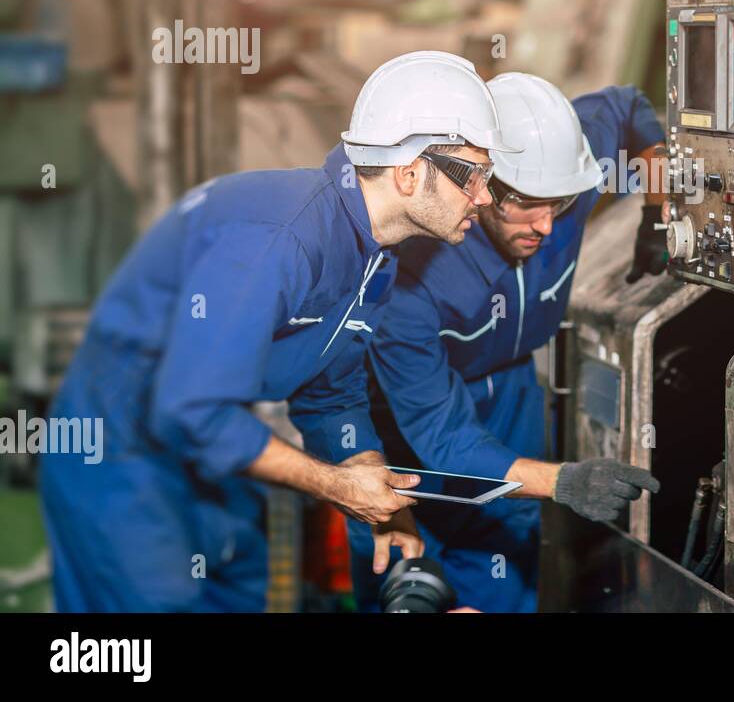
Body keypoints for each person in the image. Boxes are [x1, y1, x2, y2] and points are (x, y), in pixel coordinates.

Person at [38, 50, 516, 611]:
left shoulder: (373, 257)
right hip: (124, 455)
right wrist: (336, 487)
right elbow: (192, 410)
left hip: (210, 458)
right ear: (410, 173)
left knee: (236, 594)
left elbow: (330, 393)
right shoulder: (281, 240)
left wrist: (376, 488)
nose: (486, 198)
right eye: (476, 175)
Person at [350, 72, 669, 612]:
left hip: (512, 398)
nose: (546, 226)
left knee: (498, 580)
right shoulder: (409, 280)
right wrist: (562, 481)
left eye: (560, 205)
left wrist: (659, 208)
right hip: (405, 430)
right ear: (480, 185)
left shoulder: (555, 173)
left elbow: (625, 104)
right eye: (524, 204)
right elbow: (443, 437)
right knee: (406, 594)